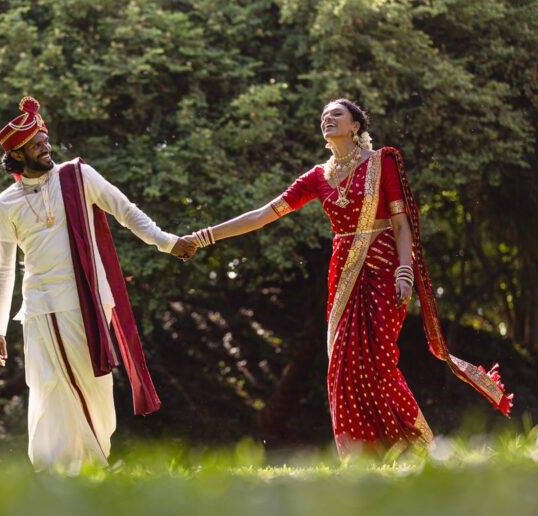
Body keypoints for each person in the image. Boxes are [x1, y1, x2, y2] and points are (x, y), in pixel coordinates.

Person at [186, 99, 512, 456]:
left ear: (356, 125)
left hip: (384, 268)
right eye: (324, 115)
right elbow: (266, 213)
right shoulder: (316, 177)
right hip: (343, 277)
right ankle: (360, 455)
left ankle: (416, 447)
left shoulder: (381, 163)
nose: (328, 119)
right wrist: (206, 236)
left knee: (379, 364)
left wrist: (405, 271)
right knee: (342, 365)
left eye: (336, 114)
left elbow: (401, 223)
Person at [0, 96, 196, 473]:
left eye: (45, 141)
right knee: (50, 390)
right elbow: (2, 269)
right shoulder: (5, 205)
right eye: (36, 145)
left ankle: (91, 463)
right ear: (17, 155)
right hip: (42, 307)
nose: (45, 147)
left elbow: (126, 211)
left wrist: (167, 242)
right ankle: (61, 473)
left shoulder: (78, 176)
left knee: (97, 391)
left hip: (90, 303)